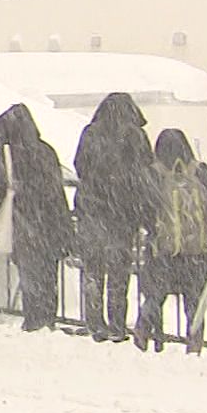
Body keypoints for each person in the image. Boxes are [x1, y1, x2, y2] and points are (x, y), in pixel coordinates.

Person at [0, 103, 74, 331]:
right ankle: (47, 319)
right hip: (50, 225)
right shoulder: (46, 151)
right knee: (48, 276)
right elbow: (56, 193)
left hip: (24, 224)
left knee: (30, 275)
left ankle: (35, 320)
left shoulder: (7, 156)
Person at [73, 93, 156, 342]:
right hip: (123, 214)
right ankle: (117, 323)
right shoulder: (135, 136)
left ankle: (94, 321)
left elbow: (80, 165)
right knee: (119, 272)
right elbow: (145, 172)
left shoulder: (91, 133)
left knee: (93, 269)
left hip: (93, 211)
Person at [134, 129, 207, 353]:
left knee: (155, 294)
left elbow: (145, 209)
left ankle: (143, 330)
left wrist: (156, 231)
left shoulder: (154, 173)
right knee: (194, 300)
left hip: (163, 250)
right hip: (196, 252)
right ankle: (194, 342)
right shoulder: (199, 171)